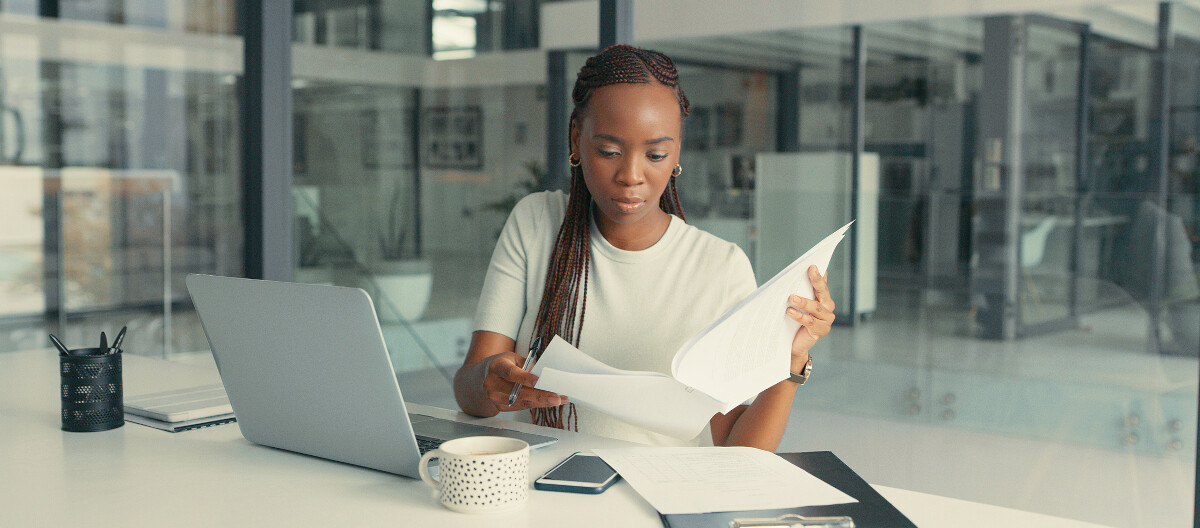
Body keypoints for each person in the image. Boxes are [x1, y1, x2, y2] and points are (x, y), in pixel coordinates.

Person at [453, 44, 836, 451]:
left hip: (658, 499)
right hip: (544, 491)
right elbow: (470, 392)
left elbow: (740, 451)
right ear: (576, 137)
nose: (631, 175)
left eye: (655, 154)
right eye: (609, 151)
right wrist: (489, 383)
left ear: (677, 153)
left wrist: (790, 360)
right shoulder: (535, 222)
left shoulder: (721, 267)